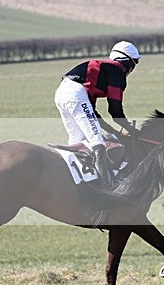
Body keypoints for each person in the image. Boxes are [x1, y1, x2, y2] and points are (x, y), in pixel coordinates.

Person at [54, 40, 142, 187]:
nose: (132, 70)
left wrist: (113, 131)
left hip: (61, 94)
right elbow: (115, 110)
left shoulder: (102, 71)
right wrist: (132, 130)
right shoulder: (117, 72)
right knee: (97, 142)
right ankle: (107, 186)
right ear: (127, 62)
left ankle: (78, 182)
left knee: (77, 141)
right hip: (74, 94)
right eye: (134, 64)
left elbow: (92, 115)